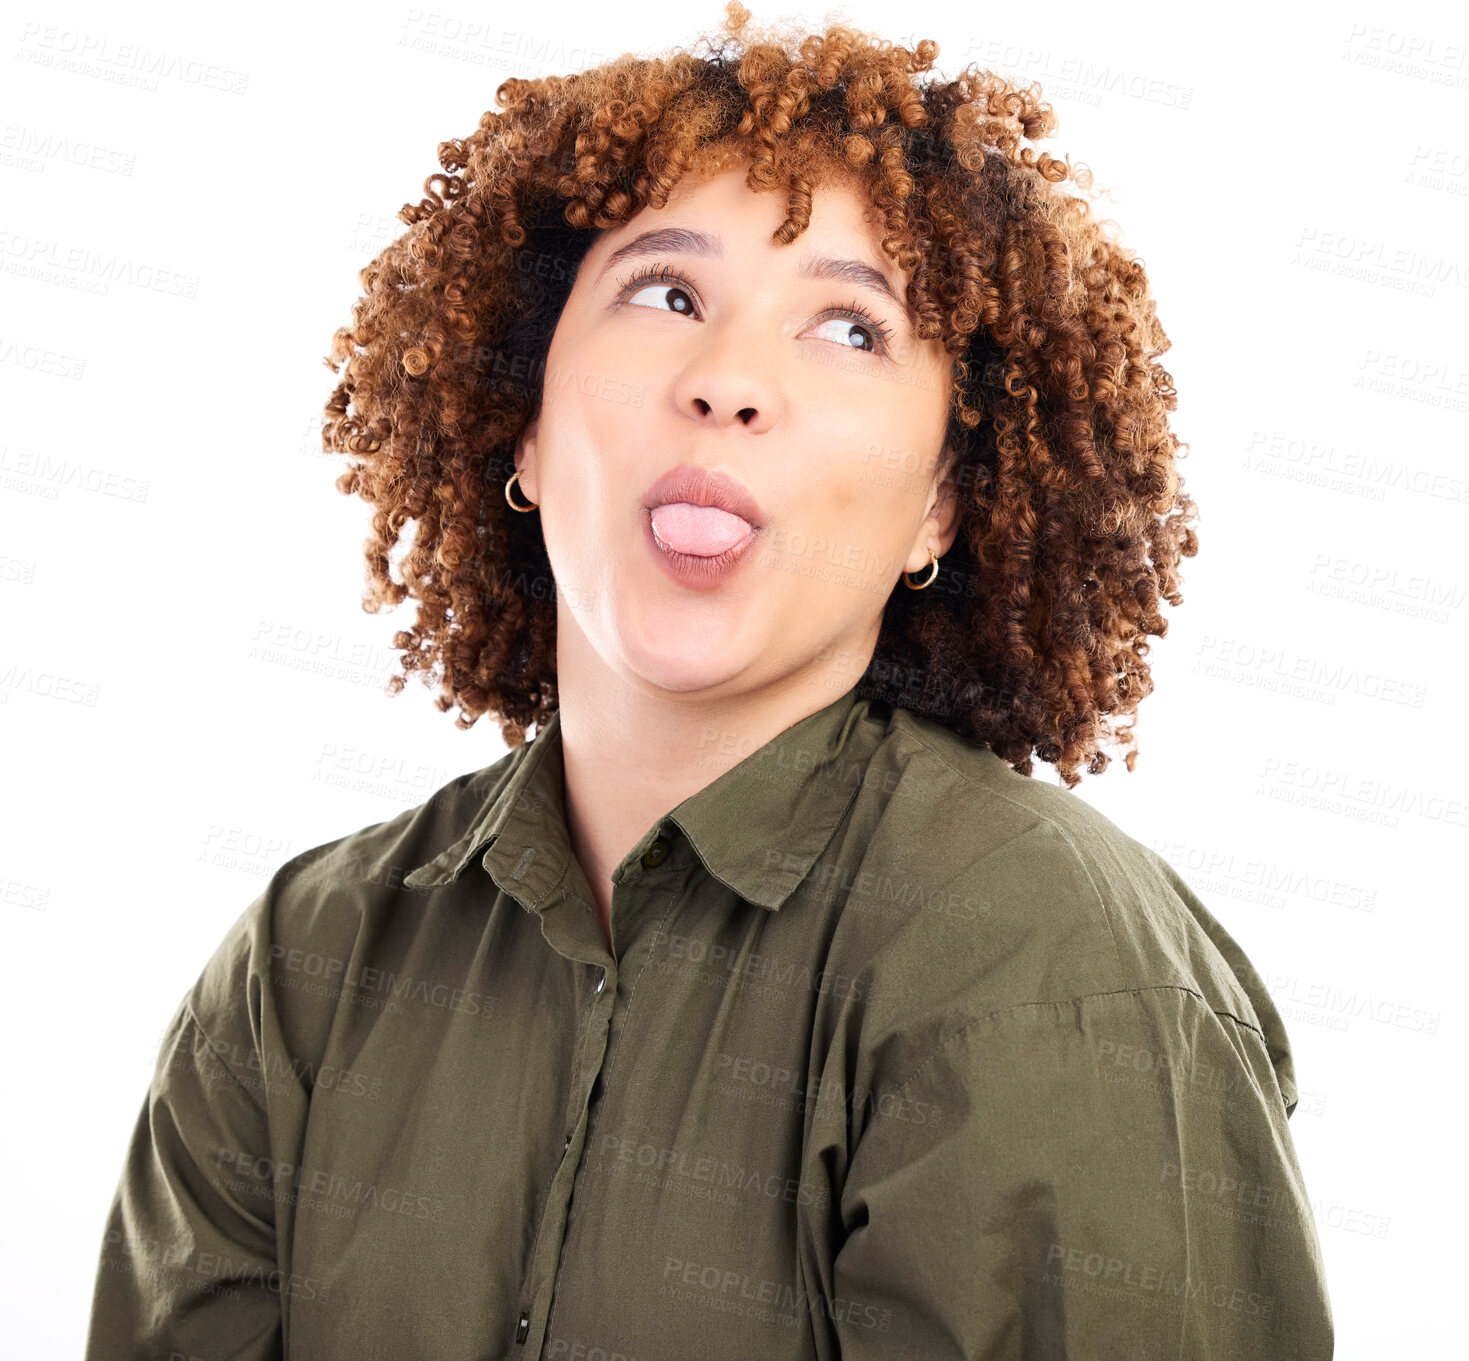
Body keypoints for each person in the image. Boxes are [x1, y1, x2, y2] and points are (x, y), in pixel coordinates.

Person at [84, 5, 1334, 1357]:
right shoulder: (305, 970)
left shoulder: (1044, 967)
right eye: (666, 294)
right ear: (522, 407)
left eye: (849, 327)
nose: (727, 380)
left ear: (943, 507)